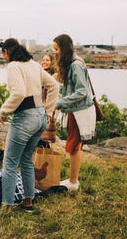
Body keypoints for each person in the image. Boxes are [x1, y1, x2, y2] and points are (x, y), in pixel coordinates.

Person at [0, 38, 59, 211]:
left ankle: (6, 207)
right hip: (40, 116)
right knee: (26, 160)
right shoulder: (33, 64)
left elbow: (18, 93)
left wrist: (3, 110)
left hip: (24, 118)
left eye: (3, 54)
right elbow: (54, 86)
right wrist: (48, 111)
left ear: (6, 52)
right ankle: (28, 202)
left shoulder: (13, 66)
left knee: (9, 163)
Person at [53, 34, 96, 191]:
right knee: (75, 145)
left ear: (63, 48)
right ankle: (72, 180)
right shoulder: (72, 62)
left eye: (56, 49)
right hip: (76, 110)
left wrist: (58, 103)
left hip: (79, 111)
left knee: (74, 145)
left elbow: (82, 91)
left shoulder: (75, 65)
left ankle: (73, 182)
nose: (55, 53)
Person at [40, 54, 58, 143]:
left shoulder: (54, 75)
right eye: (43, 60)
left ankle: (45, 153)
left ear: (52, 62)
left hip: (49, 107)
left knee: (47, 136)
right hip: (40, 106)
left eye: (47, 60)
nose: (44, 62)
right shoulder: (41, 73)